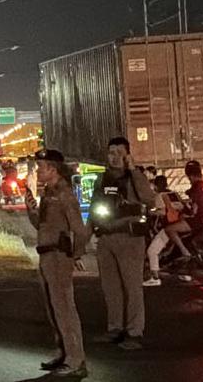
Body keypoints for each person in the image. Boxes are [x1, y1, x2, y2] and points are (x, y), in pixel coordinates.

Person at [87, 136, 156, 351]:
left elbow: (149, 199)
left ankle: (134, 332)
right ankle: (115, 328)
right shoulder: (102, 179)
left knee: (132, 287)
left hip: (129, 239)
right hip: (106, 238)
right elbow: (93, 209)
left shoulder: (134, 177)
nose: (114, 157)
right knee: (110, 288)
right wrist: (85, 238)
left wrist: (133, 170)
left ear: (127, 156)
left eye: (119, 153)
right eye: (111, 153)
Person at [26, 149, 88, 378]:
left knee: (64, 309)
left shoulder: (64, 195)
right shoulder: (48, 193)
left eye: (41, 167)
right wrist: (31, 210)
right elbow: (42, 226)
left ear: (53, 169)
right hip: (46, 256)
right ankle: (63, 352)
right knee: (53, 309)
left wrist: (76, 255)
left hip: (59, 257)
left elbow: (79, 230)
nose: (38, 171)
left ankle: (75, 359)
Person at [164, 160, 203, 263]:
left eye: (189, 178)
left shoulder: (196, 188)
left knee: (169, 229)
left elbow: (195, 207)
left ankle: (184, 251)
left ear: (191, 177)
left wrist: (188, 213)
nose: (189, 180)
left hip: (199, 220)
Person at [143, 175, 183, 286]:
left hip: (168, 227)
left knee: (152, 251)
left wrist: (150, 212)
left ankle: (155, 278)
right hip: (180, 225)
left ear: (156, 186)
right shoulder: (174, 194)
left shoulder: (159, 196)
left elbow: (162, 212)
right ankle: (184, 273)